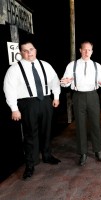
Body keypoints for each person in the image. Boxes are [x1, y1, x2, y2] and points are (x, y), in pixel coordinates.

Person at [3, 38, 61, 180]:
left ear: (35, 50)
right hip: (27, 104)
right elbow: (8, 88)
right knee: (30, 134)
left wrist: (56, 97)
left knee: (47, 130)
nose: (29, 53)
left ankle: (47, 155)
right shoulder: (14, 69)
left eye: (31, 49)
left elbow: (54, 80)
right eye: (25, 51)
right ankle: (30, 164)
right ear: (21, 53)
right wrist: (14, 108)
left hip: (46, 101)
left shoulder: (45, 65)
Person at [60, 41, 101, 166]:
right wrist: (64, 82)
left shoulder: (96, 65)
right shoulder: (72, 65)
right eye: (84, 49)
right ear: (80, 50)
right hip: (78, 96)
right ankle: (82, 153)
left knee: (95, 124)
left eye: (89, 50)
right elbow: (64, 82)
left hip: (93, 95)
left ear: (92, 51)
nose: (87, 52)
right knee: (80, 125)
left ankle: (98, 151)